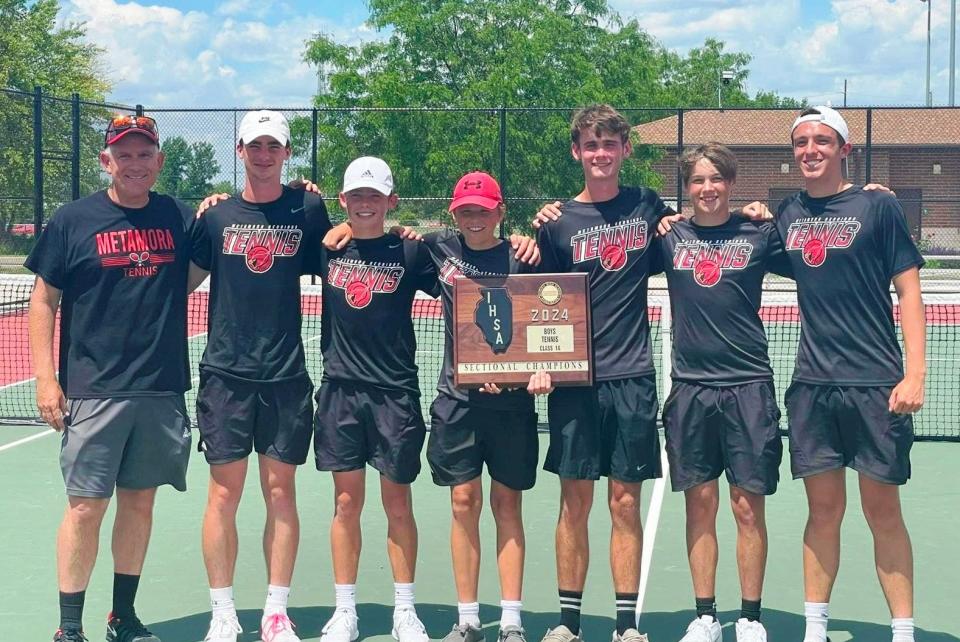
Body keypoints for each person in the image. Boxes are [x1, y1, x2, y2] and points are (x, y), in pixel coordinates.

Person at [27, 115, 195, 642]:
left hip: (159, 386)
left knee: (139, 503)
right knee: (84, 507)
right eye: (125, 154)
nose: (135, 163)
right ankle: (69, 628)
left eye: (145, 154)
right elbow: (44, 300)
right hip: (92, 390)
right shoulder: (72, 220)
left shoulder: (180, 218)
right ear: (107, 160)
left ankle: (123, 617)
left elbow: (237, 230)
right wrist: (45, 379)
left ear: (159, 162)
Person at [777, 107, 925, 642]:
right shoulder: (786, 214)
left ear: (845, 150)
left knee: (882, 510)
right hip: (814, 388)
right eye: (800, 142)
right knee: (823, 512)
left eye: (821, 140)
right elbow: (734, 244)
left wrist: (915, 374)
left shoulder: (879, 207)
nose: (810, 149)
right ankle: (815, 628)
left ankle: (902, 631)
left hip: (877, 387)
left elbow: (909, 291)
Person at [190, 110, 334, 642]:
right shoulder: (214, 216)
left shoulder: (307, 208)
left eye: (274, 145)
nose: (265, 153)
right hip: (225, 373)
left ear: (287, 152)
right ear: (240, 150)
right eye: (256, 145)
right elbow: (183, 279)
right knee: (222, 497)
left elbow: (347, 247)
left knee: (281, 493)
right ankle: (222, 612)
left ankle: (276, 612)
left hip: (285, 375)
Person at [533, 104, 671, 642]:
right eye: (591, 145)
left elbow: (697, 225)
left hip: (632, 375)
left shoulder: (645, 204)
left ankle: (625, 624)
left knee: (625, 500)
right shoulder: (558, 222)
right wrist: (541, 366)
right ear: (577, 152)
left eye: (609, 144)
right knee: (574, 501)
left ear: (625, 149)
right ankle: (568, 623)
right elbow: (537, 304)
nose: (600, 154)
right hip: (573, 380)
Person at [653, 143, 792, 642]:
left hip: (750, 386)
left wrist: (770, 213)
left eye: (716, 179)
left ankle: (750, 616)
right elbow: (607, 243)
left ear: (731, 184)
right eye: (697, 181)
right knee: (701, 504)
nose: (707, 189)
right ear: (686, 188)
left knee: (747, 507)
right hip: (691, 389)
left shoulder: (759, 234)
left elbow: (818, 254)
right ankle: (706, 615)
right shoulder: (668, 237)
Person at [422, 171, 552, 642]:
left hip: (512, 406)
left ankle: (512, 620)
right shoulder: (438, 250)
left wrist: (536, 374)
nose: (475, 217)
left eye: (484, 209)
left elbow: (544, 327)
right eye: (466, 210)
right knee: (462, 502)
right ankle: (469, 618)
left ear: (500, 213)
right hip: (457, 402)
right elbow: (385, 240)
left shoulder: (523, 258)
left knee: (507, 504)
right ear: (455, 214)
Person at [313, 156, 438, 642]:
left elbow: (464, 283)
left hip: (396, 394)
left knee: (398, 503)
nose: (365, 204)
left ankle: (404, 610)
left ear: (391, 201)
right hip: (340, 392)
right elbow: (277, 220)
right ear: (342, 201)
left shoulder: (411, 252)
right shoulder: (324, 249)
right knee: (345, 503)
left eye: (375, 196)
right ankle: (345, 610)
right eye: (356, 196)